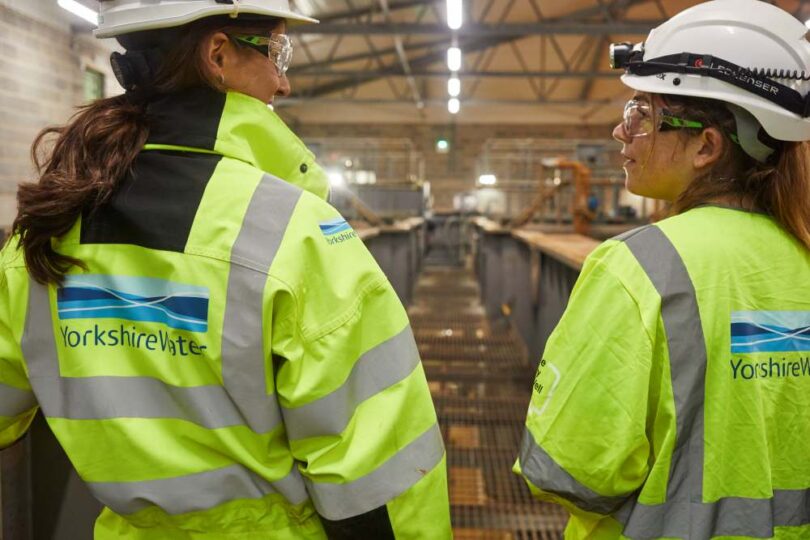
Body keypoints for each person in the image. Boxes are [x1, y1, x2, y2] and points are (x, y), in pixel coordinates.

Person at [0, 0, 450, 538]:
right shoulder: (296, 234)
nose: (282, 85)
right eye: (277, 53)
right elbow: (380, 476)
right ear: (218, 54)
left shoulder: (47, 229)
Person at [514, 0, 810, 537]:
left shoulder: (639, 268)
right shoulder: (800, 257)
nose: (620, 133)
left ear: (706, 146)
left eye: (641, 115)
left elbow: (569, 468)